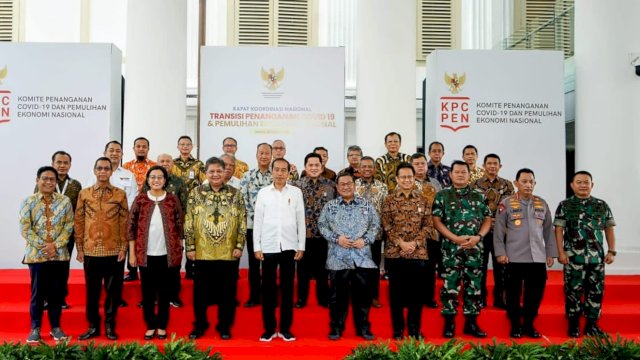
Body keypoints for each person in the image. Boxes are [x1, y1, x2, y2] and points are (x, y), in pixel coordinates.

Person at [186, 157, 246, 340]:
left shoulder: (236, 194)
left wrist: (239, 245)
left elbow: (242, 221)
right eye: (211, 171)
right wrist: (190, 246)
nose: (215, 174)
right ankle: (200, 325)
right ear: (206, 173)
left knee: (228, 293)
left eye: (219, 171)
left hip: (228, 252)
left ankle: (224, 326)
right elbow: (188, 220)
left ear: (225, 172)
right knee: (200, 294)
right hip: (203, 252)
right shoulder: (195, 193)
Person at [493, 168, 556, 338]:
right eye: (524, 182)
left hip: (537, 258)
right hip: (513, 257)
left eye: (531, 182)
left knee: (535, 294)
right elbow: (499, 231)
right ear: (516, 183)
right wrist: (500, 252)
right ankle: (515, 325)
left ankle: (529, 324)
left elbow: (549, 231)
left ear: (535, 184)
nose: (528, 185)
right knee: (513, 294)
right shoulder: (506, 203)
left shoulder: (541, 204)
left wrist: (551, 253)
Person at [432, 160, 492, 338]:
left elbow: (488, 219)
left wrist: (478, 237)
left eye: (463, 172)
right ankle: (449, 324)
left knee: (473, 287)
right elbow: (436, 221)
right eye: (456, 172)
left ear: (469, 174)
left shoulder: (479, 195)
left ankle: (471, 324)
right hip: (451, 248)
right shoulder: (442, 195)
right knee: (450, 287)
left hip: (475, 248)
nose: (460, 174)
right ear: (450, 175)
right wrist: (454, 238)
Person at [554, 171, 617, 337]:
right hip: (573, 258)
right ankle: (573, 325)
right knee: (572, 291)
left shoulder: (601, 205)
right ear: (572, 185)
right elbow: (559, 230)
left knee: (596, 291)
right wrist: (560, 252)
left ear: (592, 185)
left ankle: (591, 326)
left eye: (586, 182)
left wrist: (611, 251)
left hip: (597, 258)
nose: (583, 185)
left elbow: (609, 229)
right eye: (579, 182)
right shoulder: (564, 205)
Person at [319, 172, 379, 341]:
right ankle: (336, 328)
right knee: (338, 297)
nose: (346, 186)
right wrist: (336, 239)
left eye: (349, 183)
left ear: (355, 185)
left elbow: (375, 225)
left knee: (363, 297)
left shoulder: (366, 205)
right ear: (337, 187)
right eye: (342, 184)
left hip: (362, 257)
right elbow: (322, 226)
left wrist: (365, 240)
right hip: (338, 258)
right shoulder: (330, 206)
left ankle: (364, 329)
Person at [127, 165, 184, 340]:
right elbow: (131, 227)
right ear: (148, 180)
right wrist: (133, 254)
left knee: (165, 293)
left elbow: (180, 226)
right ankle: (151, 324)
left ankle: (162, 326)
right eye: (153, 177)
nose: (156, 180)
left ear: (165, 180)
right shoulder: (141, 199)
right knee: (148, 293)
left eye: (160, 177)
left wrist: (178, 251)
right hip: (146, 255)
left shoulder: (173, 200)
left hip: (167, 256)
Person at [76, 157, 129, 340]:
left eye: (106, 168)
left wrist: (123, 247)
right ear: (94, 170)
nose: (103, 171)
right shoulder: (84, 194)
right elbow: (79, 221)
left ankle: (109, 325)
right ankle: (92, 326)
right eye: (99, 168)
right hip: (91, 250)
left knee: (113, 291)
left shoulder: (120, 194)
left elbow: (124, 222)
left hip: (114, 250)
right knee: (92, 291)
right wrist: (80, 248)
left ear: (111, 171)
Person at [253, 158, 305, 342]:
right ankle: (268, 329)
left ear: (289, 173)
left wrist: (301, 245)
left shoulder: (296, 192)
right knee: (267, 289)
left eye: (284, 170)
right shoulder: (263, 193)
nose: (280, 173)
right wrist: (257, 246)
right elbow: (257, 220)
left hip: (289, 246)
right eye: (277, 169)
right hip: (268, 246)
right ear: (272, 171)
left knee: (288, 289)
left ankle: (284, 329)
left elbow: (301, 220)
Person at [381, 163, 435, 340]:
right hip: (395, 253)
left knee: (416, 295)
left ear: (414, 178)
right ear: (396, 179)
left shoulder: (423, 200)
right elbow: (386, 224)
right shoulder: (388, 200)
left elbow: (428, 226)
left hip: (418, 253)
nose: (406, 180)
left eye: (410, 177)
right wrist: (401, 243)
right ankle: (397, 330)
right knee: (395, 294)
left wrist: (414, 243)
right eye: (403, 177)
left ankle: (414, 329)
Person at [20, 166, 74, 343]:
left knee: (56, 294)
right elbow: (25, 229)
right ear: (37, 180)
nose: (49, 182)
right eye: (45, 178)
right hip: (37, 256)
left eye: (52, 179)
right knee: (38, 294)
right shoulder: (28, 202)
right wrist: (45, 247)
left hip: (59, 256)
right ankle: (35, 328)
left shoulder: (65, 201)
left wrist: (56, 245)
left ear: (56, 182)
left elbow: (69, 226)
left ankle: (56, 328)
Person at [40, 151, 82, 309]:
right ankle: (44, 298)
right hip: (47, 234)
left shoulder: (75, 185)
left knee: (62, 267)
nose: (62, 166)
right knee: (46, 267)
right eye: (59, 162)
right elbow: (36, 206)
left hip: (67, 234)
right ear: (53, 164)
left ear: (70, 165)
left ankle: (60, 298)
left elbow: (79, 210)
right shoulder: (45, 182)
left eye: (65, 163)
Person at [293, 152, 336, 308]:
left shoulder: (331, 185)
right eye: (310, 165)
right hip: (303, 236)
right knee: (302, 270)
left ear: (322, 166)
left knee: (323, 270)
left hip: (324, 236)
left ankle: (323, 298)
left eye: (317, 165)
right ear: (305, 167)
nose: (314, 168)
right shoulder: (297, 186)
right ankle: (301, 299)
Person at [473, 153, 514, 309]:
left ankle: (499, 299)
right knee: (480, 267)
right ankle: (480, 298)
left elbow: (508, 208)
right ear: (483, 166)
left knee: (501, 268)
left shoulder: (507, 185)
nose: (492, 166)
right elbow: (475, 209)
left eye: (495, 163)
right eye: (489, 163)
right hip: (481, 232)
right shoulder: (475, 185)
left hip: (501, 232)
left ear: (500, 166)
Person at [239, 143, 274, 307]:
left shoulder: (277, 175)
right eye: (261, 153)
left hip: (273, 227)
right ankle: (254, 297)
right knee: (254, 263)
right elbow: (243, 200)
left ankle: (269, 296)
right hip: (252, 225)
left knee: (270, 262)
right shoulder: (247, 176)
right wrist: (257, 219)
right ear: (256, 154)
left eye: (267, 153)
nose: (264, 156)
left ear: (272, 155)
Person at [354, 156, 388, 308]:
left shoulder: (383, 187)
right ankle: (358, 296)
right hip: (356, 235)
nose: (367, 169)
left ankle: (373, 296)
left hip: (375, 234)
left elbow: (385, 211)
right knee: (357, 267)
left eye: (370, 167)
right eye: (364, 166)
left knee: (374, 266)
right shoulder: (352, 185)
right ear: (359, 169)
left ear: (374, 169)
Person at [172, 135, 205, 279]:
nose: (185, 147)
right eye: (182, 144)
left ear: (192, 147)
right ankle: (175, 268)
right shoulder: (172, 164)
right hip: (175, 206)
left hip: (194, 206)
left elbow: (205, 183)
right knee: (176, 238)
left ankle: (191, 269)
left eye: (187, 144)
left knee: (194, 238)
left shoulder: (199, 164)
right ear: (178, 146)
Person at [410, 152, 440, 309]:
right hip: (411, 233)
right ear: (411, 166)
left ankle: (429, 298)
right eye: (416, 164)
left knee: (429, 267)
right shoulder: (406, 183)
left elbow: (441, 207)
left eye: (422, 163)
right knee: (413, 268)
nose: (420, 166)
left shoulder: (435, 184)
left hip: (432, 232)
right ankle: (413, 298)